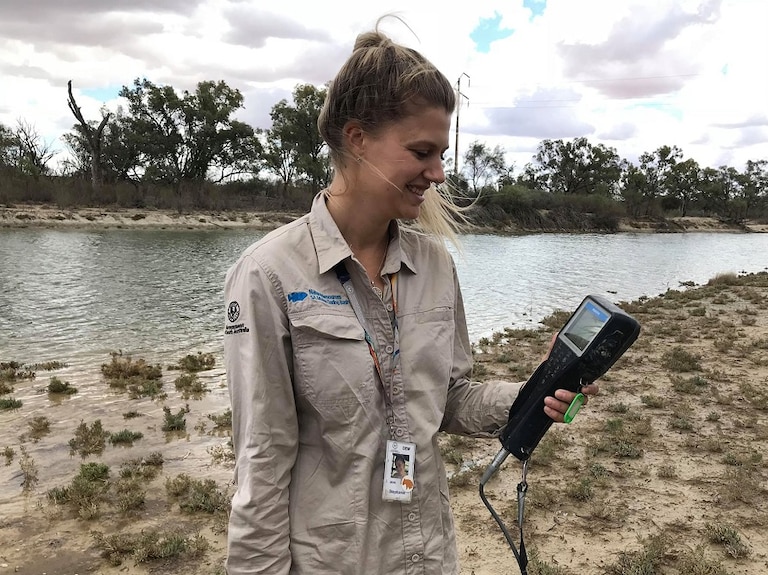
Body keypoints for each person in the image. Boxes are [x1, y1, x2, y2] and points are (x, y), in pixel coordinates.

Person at [223, 18, 597, 575]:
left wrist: (535, 390)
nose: (438, 174)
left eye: (441, 154)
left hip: (428, 553)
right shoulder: (267, 275)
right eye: (422, 152)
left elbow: (449, 399)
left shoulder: (435, 265)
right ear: (357, 138)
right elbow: (263, 457)